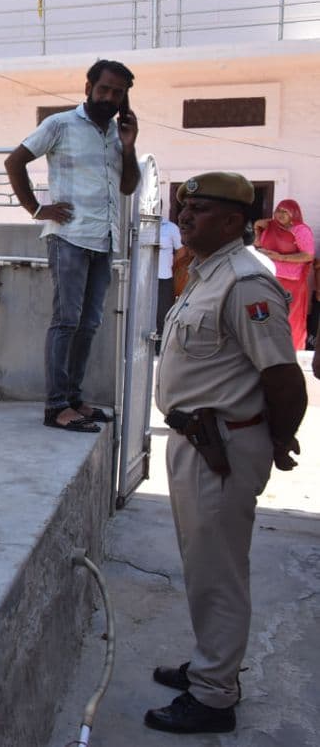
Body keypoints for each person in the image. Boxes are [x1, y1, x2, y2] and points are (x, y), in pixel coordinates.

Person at [148, 171, 305, 734]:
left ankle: (214, 697)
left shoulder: (244, 283)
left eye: (202, 210)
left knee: (219, 572)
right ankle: (212, 664)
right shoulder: (206, 272)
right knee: (203, 563)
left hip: (223, 448)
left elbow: (286, 380)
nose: (186, 217)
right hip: (196, 441)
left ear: (235, 222)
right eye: (185, 207)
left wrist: (278, 437)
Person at [4, 61, 140, 432]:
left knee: (90, 323)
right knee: (66, 321)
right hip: (69, 238)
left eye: (118, 93)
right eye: (105, 89)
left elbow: (128, 186)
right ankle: (56, 406)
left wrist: (128, 147)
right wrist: (36, 208)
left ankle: (75, 398)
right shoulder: (60, 124)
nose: (110, 97)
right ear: (88, 88)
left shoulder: (117, 133)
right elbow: (15, 161)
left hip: (104, 238)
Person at [252, 199, 313, 350]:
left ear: (294, 214)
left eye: (284, 211)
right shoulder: (270, 226)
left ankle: (290, 352)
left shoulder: (300, 230)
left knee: (290, 318)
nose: (279, 214)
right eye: (278, 210)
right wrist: (257, 229)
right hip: (268, 278)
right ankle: (265, 351)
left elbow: (308, 256)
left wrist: (279, 257)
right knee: (264, 315)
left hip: (291, 282)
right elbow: (257, 245)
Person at [156, 207, 183, 351]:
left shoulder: (171, 228)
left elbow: (181, 250)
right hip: (142, 278)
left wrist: (171, 264)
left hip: (164, 276)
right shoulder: (138, 225)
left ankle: (161, 346)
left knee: (163, 311)